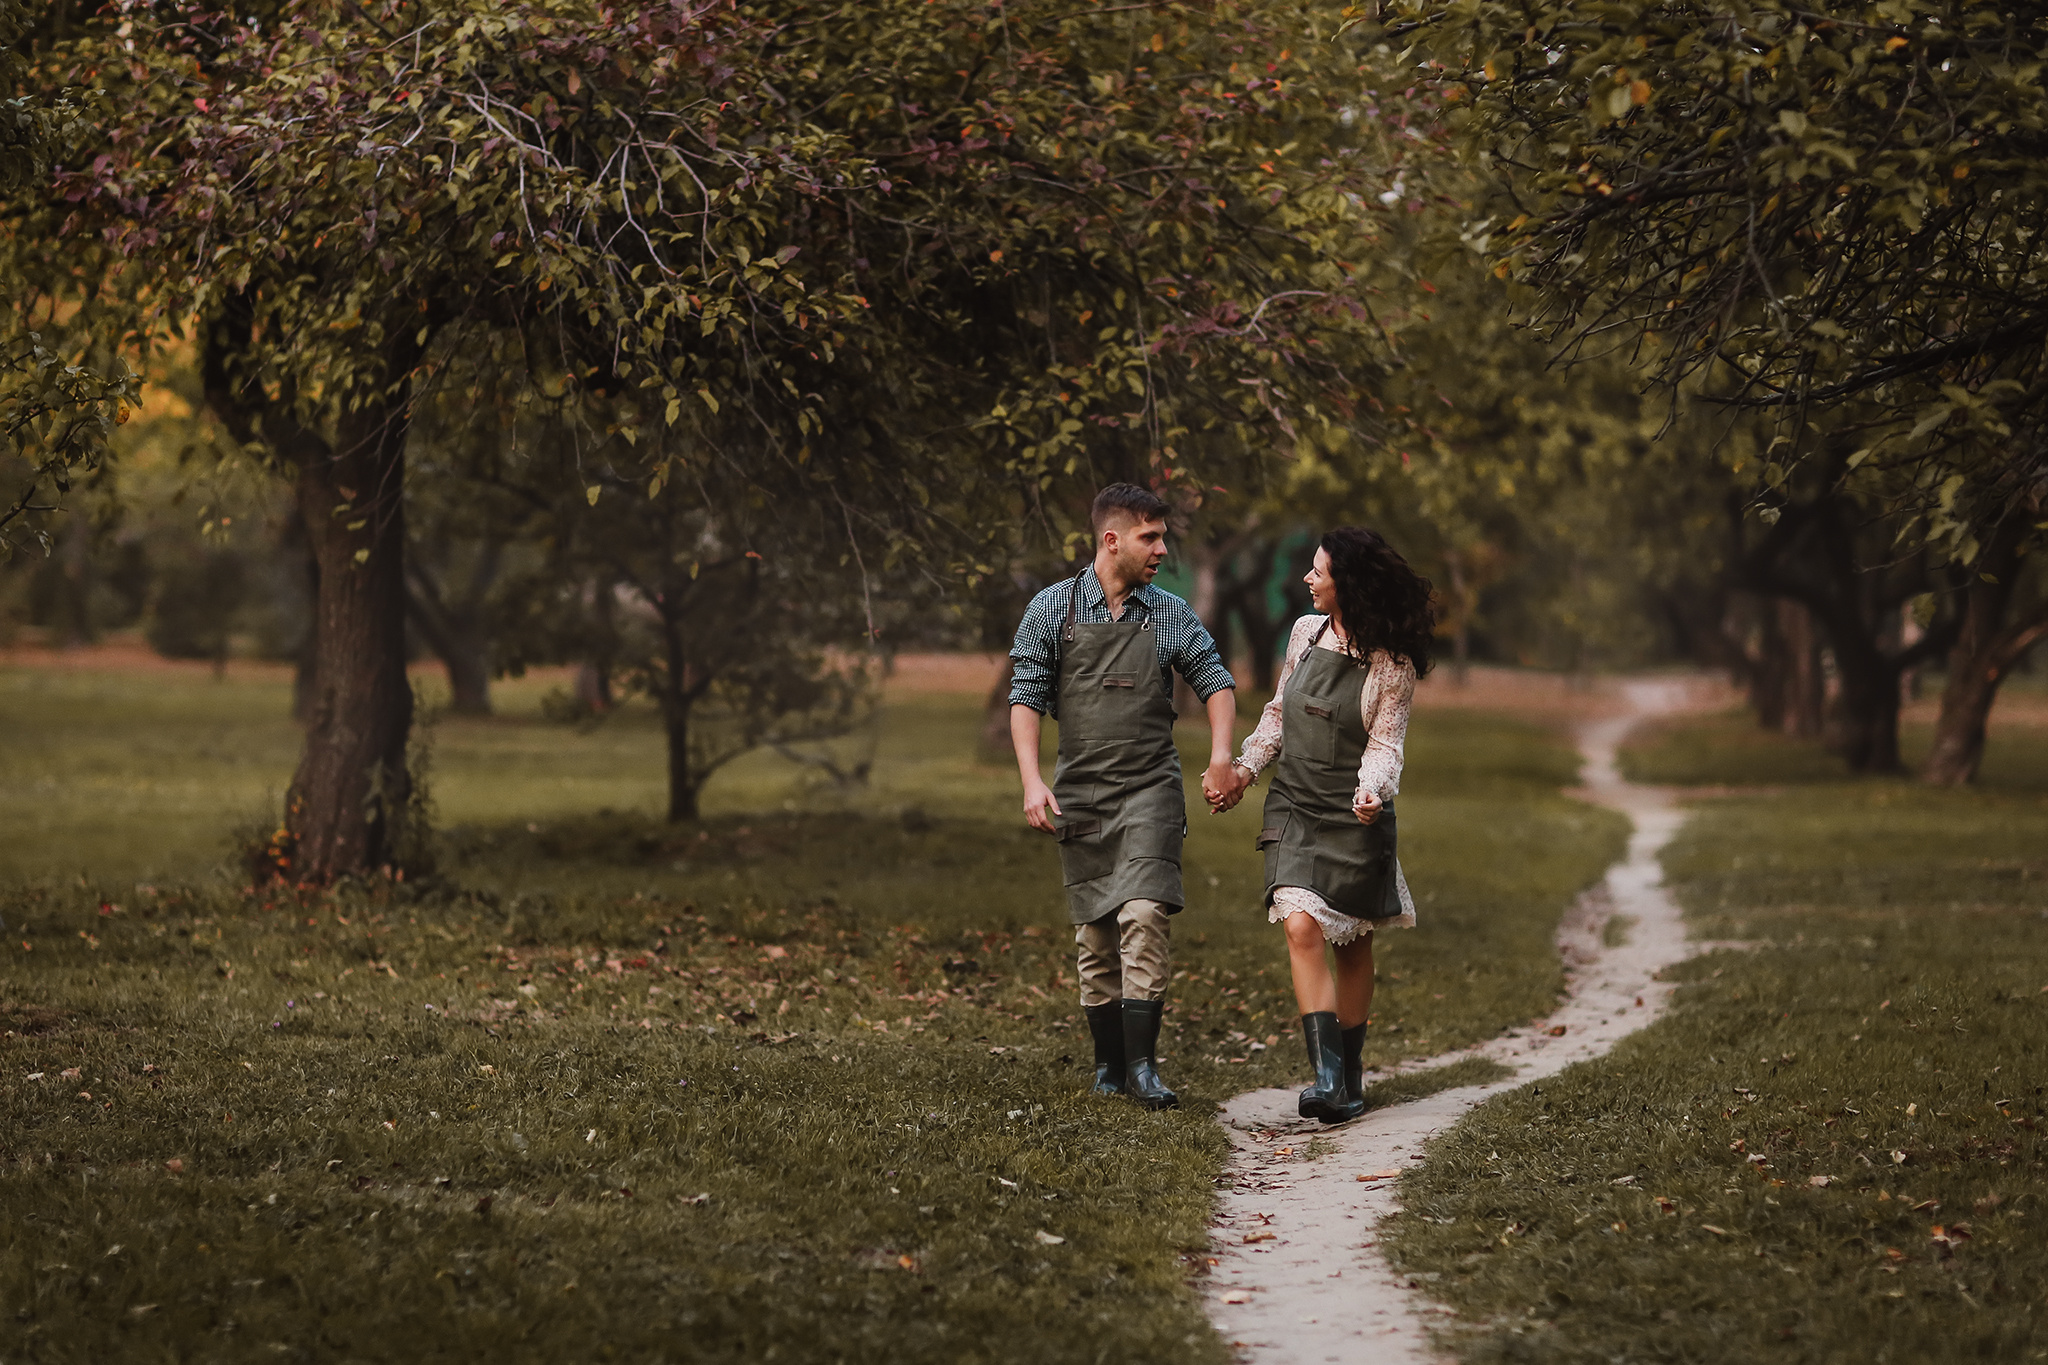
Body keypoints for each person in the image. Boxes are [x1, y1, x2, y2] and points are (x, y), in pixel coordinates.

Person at [1009, 484, 1239, 1110]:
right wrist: (1033, 779)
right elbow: (1026, 697)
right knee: (1095, 935)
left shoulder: (1166, 612)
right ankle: (1109, 1065)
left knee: (1143, 914)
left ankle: (1143, 1067)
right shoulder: (1051, 610)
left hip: (1149, 789)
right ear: (1112, 540)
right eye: (1151, 537)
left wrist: (1221, 755)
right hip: (1081, 792)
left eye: (1162, 536)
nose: (1163, 548)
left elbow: (1216, 683)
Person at [1209, 526, 1434, 1123]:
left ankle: (1351, 1079)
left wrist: (1371, 791)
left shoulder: (1392, 666)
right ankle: (1329, 1079)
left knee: (1353, 940)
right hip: (1294, 806)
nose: (1308, 580)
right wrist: (1243, 770)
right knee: (1301, 925)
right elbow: (1279, 715)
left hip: (1351, 814)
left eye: (1318, 572)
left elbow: (1387, 746)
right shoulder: (1305, 635)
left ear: (1348, 585)